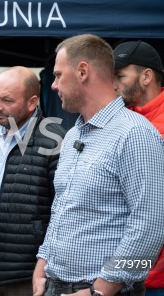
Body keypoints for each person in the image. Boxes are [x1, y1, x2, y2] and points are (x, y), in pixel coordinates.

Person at [33, 34, 164, 296]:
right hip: (55, 284)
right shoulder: (73, 134)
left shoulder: (135, 133)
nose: (54, 85)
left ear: (83, 72)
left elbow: (150, 227)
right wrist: (42, 265)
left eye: (58, 75)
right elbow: (61, 208)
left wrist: (102, 289)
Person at [0, 66, 66, 296]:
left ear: (32, 102)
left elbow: (63, 211)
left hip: (28, 273)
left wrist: (46, 266)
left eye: (7, 100)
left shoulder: (53, 141)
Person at [113, 40, 164, 296]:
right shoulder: (122, 119)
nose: (114, 84)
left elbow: (152, 211)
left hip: (156, 275)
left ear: (146, 76)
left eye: (120, 76)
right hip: (126, 270)